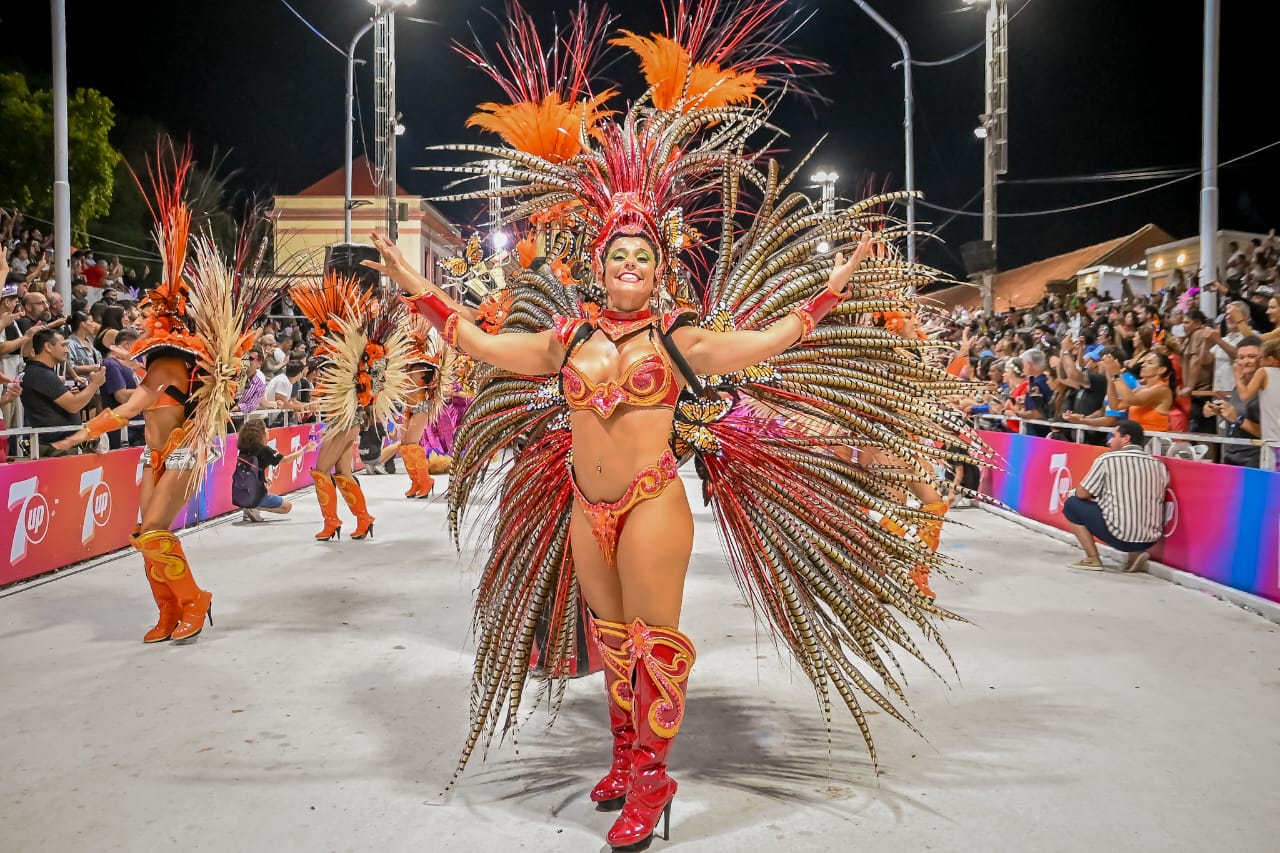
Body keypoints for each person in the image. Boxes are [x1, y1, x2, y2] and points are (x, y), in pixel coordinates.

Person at [53, 140, 282, 644]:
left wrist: (78, 436)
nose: (140, 325)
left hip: (179, 454)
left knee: (154, 534)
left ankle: (194, 600)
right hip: (154, 456)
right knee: (146, 537)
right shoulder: (159, 364)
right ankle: (168, 611)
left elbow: (132, 407)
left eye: (148, 321)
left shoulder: (167, 368)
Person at [290, 274, 412, 542]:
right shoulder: (342, 352)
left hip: (347, 420)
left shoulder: (355, 352)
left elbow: (367, 387)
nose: (317, 334)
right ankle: (363, 518)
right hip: (341, 420)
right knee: (342, 471)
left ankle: (332, 522)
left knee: (321, 469)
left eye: (322, 330)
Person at [1062, 420, 1170, 572]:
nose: (1109, 441)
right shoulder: (1158, 464)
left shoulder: (1107, 459)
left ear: (1126, 438)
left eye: (1113, 436)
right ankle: (1135, 555)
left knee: (1072, 504)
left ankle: (1092, 558)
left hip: (1120, 537)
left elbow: (1082, 493)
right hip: (1149, 540)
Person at [20, 328, 106, 456]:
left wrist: (71, 394)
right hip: (55, 447)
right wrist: (94, 384)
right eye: (63, 345)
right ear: (48, 347)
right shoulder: (41, 374)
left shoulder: (41, 372)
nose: (67, 350)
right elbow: (73, 405)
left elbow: (68, 402)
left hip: (59, 444)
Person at [233, 416, 316, 522]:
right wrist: (305, 449)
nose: (268, 431)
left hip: (240, 493)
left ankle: (249, 507)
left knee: (265, 485)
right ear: (260, 434)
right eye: (266, 429)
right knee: (287, 507)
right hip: (254, 494)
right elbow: (286, 460)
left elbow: (253, 468)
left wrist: (263, 477)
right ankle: (254, 506)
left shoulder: (243, 448)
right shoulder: (265, 450)